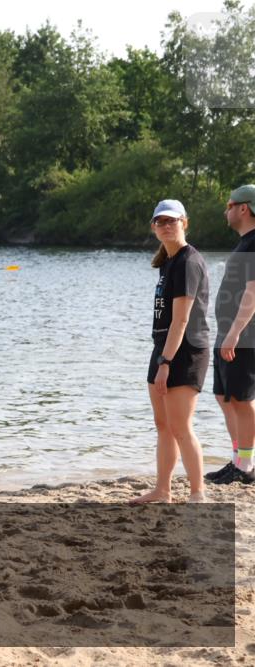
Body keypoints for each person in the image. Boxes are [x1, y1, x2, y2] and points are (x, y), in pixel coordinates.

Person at [131, 199, 210, 505]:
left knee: (180, 426)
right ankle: (163, 490)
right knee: (162, 424)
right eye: (160, 222)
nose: (165, 226)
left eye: (171, 220)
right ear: (153, 227)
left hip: (185, 351)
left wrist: (165, 362)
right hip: (163, 348)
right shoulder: (167, 261)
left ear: (184, 223)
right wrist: (161, 357)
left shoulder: (189, 261)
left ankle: (197, 493)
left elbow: (182, 320)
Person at [206, 184, 255, 485]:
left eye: (229, 205)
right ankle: (238, 459)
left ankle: (246, 466)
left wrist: (236, 332)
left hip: (245, 335)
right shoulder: (245, 242)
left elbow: (253, 292)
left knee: (241, 399)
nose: (226, 211)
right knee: (224, 396)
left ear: (243, 208)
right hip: (229, 332)